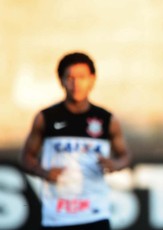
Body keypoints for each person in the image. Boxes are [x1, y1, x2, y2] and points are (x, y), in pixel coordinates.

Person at [20, 52, 132, 230]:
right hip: (57, 215)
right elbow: (26, 157)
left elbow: (125, 156)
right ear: (61, 80)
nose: (76, 84)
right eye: (70, 77)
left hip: (95, 213)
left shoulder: (106, 119)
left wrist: (114, 164)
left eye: (82, 77)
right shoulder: (46, 118)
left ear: (92, 79)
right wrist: (43, 171)